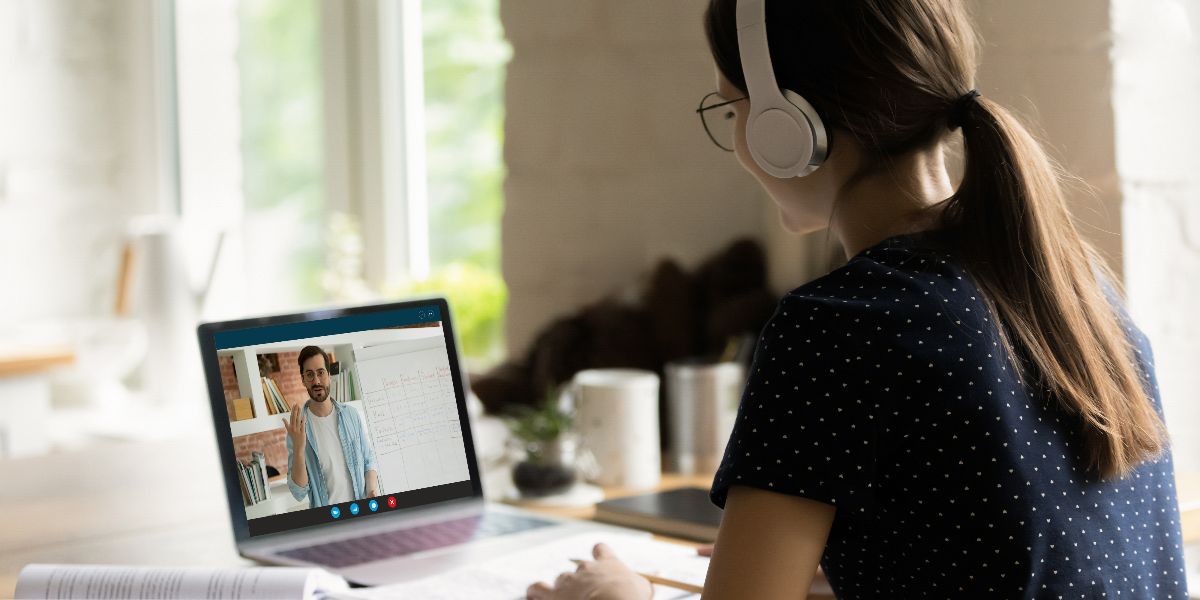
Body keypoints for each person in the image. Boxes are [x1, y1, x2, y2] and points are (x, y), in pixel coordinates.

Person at [528, 0, 1187, 598]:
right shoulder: (1076, 285)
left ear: (787, 126)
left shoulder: (840, 324)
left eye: (733, 109)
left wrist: (617, 596)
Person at [283, 345, 380, 508]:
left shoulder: (351, 415)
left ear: (329, 375)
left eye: (320, 373)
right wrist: (299, 448)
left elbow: (368, 461)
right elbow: (298, 492)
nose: (316, 381)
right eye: (310, 375)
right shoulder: (298, 429)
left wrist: (371, 491)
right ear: (303, 380)